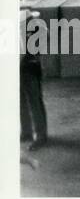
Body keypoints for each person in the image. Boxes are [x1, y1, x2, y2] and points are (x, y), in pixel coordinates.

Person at [19, 11, 48, 151]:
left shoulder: (31, 31)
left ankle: (39, 135)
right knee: (24, 101)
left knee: (32, 101)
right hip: (27, 68)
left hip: (28, 69)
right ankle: (27, 132)